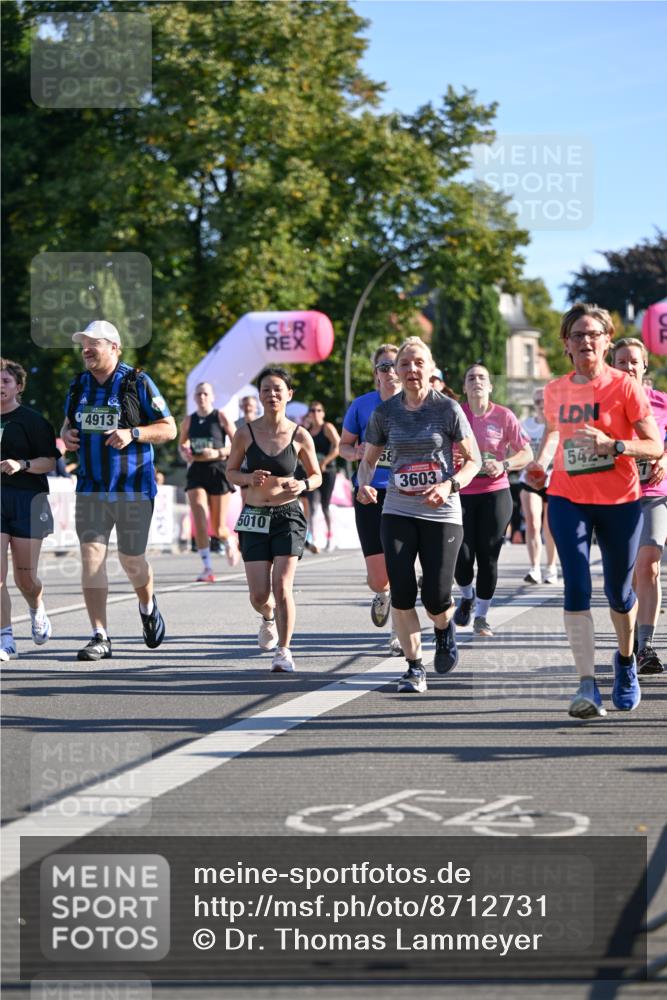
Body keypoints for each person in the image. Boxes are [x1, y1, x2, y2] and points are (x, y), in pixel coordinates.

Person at [525, 304, 662, 719]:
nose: (585, 341)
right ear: (566, 344)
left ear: (606, 341)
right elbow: (554, 434)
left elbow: (655, 445)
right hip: (568, 498)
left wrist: (615, 445)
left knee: (619, 595)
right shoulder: (556, 390)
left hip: (620, 501)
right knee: (576, 586)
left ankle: (625, 661)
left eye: (593, 334)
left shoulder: (625, 387)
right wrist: (539, 465)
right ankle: (587, 684)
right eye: (577, 335)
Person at [358, 336, 481, 694]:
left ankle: (444, 628)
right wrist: (364, 484)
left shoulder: (448, 409)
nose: (411, 369)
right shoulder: (385, 413)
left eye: (418, 363)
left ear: (430, 369)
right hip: (397, 507)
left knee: (436, 598)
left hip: (441, 511)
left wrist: (449, 485)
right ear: (396, 371)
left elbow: (473, 461)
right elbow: (368, 461)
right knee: (401, 590)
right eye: (404, 364)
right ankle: (414, 667)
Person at [60, 320, 177, 660]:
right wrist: (66, 436)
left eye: (93, 343)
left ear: (114, 347)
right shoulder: (78, 385)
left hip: (132, 488)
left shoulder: (138, 382)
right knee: (91, 559)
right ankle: (100, 635)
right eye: (83, 343)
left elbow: (169, 428)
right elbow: (68, 425)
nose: (86, 349)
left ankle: (147, 605)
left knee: (131, 560)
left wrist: (133, 433)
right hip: (91, 487)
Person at [226, 367, 321, 673]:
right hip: (254, 516)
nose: (272, 395)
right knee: (259, 595)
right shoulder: (245, 433)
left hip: (287, 516)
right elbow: (230, 472)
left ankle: (284, 650)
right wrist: (247, 478)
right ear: (259, 395)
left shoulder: (300, 435)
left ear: (289, 394)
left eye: (278, 389)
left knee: (282, 586)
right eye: (266, 389)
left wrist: (302, 484)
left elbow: (317, 476)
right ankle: (268, 617)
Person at [453, 364, 533, 636]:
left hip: (495, 492)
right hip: (461, 493)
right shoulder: (455, 414)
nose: (476, 381)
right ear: (465, 387)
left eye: (482, 378)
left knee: (488, 555)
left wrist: (504, 464)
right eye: (471, 377)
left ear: (489, 386)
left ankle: (482, 616)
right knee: (461, 555)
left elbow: (527, 453)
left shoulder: (504, 416)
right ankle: (467, 596)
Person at [340, 343, 402, 654]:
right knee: (379, 578)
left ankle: (399, 631)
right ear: (376, 373)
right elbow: (343, 447)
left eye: (395, 365)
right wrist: (357, 452)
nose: (390, 372)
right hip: (369, 492)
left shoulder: (415, 404)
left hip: (404, 493)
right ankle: (382, 593)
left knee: (402, 564)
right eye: (384, 367)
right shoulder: (362, 405)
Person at [611, 337, 667, 675]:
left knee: (649, 564)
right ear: (612, 366)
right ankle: (627, 644)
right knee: (628, 573)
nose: (629, 367)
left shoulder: (661, 402)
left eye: (634, 361)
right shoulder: (604, 403)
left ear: (645, 365)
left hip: (655, 492)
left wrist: (664, 458)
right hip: (617, 495)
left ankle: (645, 646)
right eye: (622, 361)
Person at [1, 359, 60, 660]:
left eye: (6, 381)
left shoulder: (33, 421)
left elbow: (49, 462)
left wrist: (21, 465)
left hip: (27, 500)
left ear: (19, 386)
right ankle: (5, 638)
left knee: (26, 578)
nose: (0, 386)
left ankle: (37, 607)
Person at [179, 382, 239, 581]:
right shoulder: (189, 420)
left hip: (217, 470)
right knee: (199, 518)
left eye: (205, 394)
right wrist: (185, 452)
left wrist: (218, 452)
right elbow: (182, 445)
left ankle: (229, 540)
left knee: (218, 527)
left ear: (212, 397)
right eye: (198, 394)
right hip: (196, 471)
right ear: (194, 397)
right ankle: (207, 568)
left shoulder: (220, 416)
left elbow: (238, 444)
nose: (202, 397)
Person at [519, 388, 558, 584]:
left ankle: (551, 567)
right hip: (530, 480)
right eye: (537, 401)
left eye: (544, 400)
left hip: (553, 479)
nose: (541, 404)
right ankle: (534, 567)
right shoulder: (525, 425)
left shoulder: (557, 425)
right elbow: (517, 450)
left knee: (550, 526)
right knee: (533, 523)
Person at [304, 401, 340, 551]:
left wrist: (325, 461)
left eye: (318, 410)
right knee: (311, 506)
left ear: (323, 413)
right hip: (312, 474)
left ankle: (330, 537)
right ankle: (313, 539)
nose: (315, 413)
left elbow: (338, 446)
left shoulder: (327, 427)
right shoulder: (307, 431)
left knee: (325, 505)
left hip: (327, 471)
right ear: (309, 414)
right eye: (312, 410)